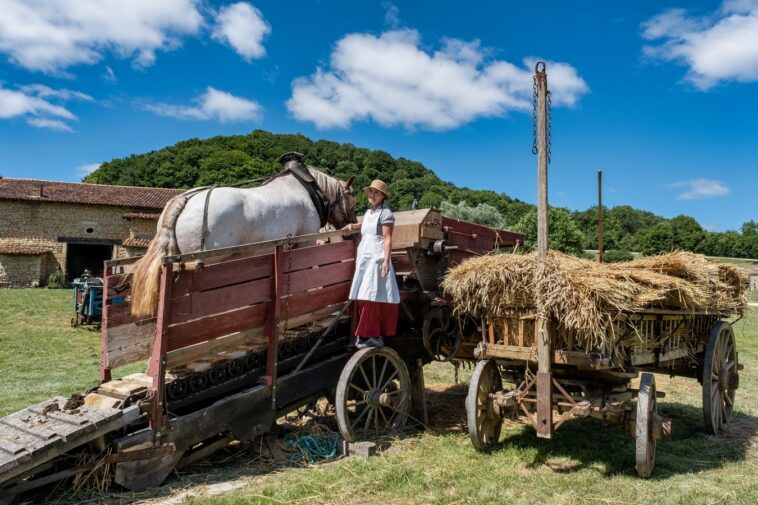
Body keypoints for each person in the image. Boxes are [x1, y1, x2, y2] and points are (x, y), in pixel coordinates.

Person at [342, 180, 399, 349]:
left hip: (376, 256)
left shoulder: (386, 213)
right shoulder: (368, 213)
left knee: (372, 295)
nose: (372, 195)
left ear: (382, 196)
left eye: (376, 192)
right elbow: (366, 225)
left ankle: (373, 335)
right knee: (362, 295)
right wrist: (354, 226)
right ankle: (367, 333)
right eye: (370, 192)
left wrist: (386, 261)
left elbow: (387, 238)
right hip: (365, 255)